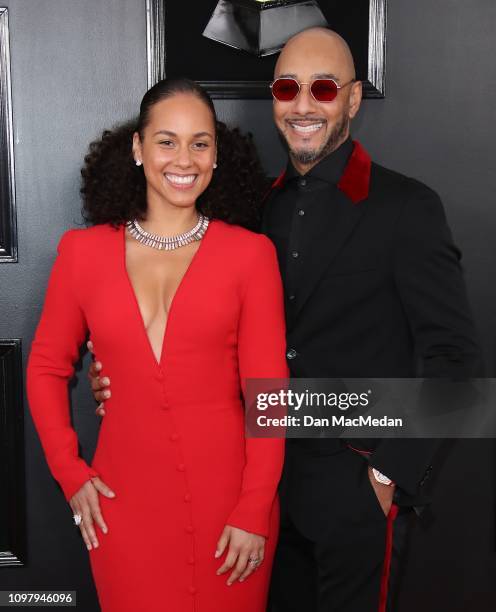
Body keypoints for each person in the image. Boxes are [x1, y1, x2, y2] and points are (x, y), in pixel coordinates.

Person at [89, 28, 480, 612]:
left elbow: (457, 362)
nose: (302, 104)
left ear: (351, 100)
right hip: (252, 491)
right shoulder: (251, 213)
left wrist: (386, 478)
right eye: (286, 87)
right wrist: (116, 376)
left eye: (323, 88)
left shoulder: (407, 208)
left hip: (353, 483)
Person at [26, 77, 288, 612]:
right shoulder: (82, 253)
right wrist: (71, 473)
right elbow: (46, 367)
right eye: (166, 140)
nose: (184, 159)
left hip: (231, 509)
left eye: (201, 142)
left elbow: (269, 396)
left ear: (217, 155)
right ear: (137, 148)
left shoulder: (251, 256)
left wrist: (255, 508)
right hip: (122, 508)